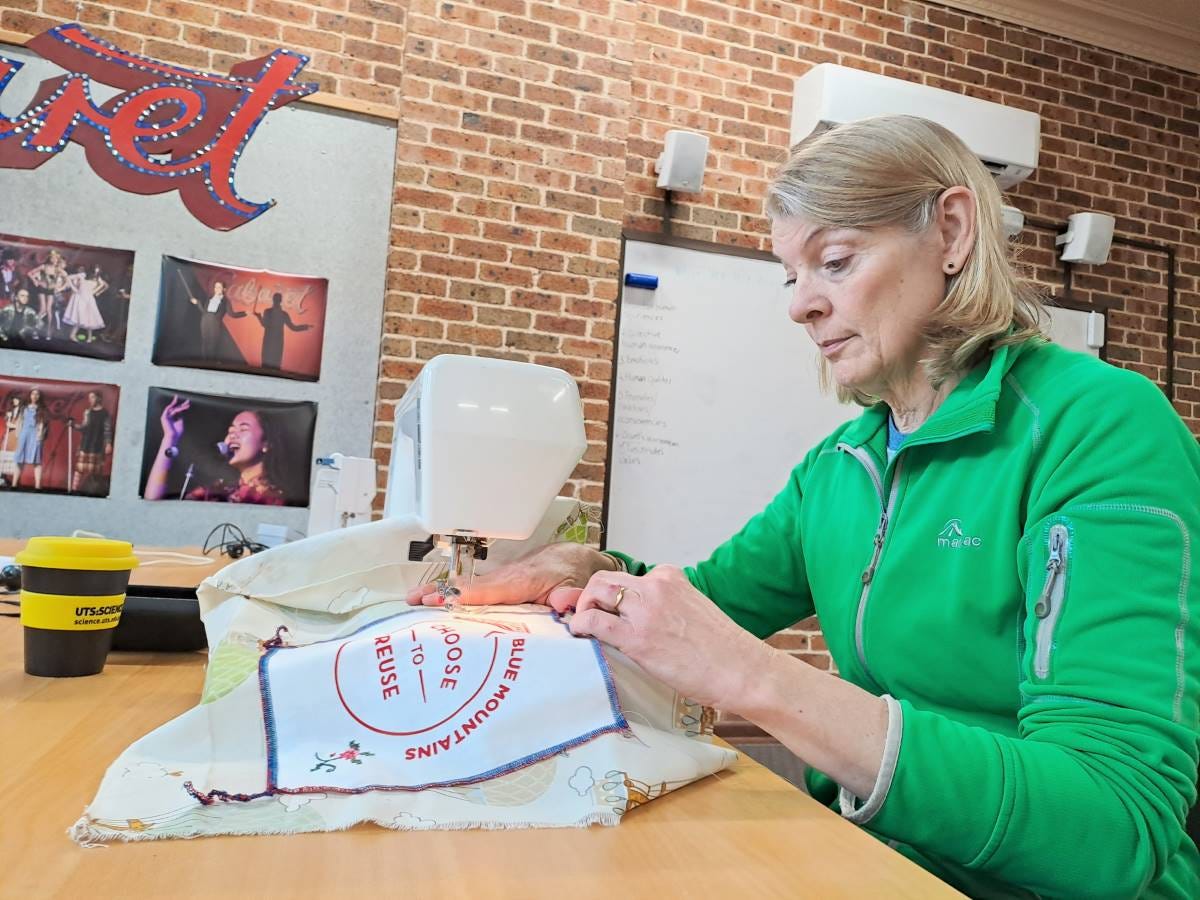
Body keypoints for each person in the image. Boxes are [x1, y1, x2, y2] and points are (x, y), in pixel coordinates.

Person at [407, 115, 1200, 898]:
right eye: (792, 276)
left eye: (835, 261)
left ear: (952, 232)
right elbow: (709, 605)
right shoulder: (841, 466)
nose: (799, 307)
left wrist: (758, 680)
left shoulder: (1095, 427)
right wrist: (598, 568)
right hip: (867, 863)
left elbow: (1113, 825)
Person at [143, 395, 287, 505]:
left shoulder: (273, 497)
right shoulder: (221, 489)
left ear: (266, 444)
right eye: (231, 429)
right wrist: (170, 437)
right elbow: (152, 500)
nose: (232, 434)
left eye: (243, 429)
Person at [186, 279, 246, 361]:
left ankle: (210, 363)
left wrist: (245, 313)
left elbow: (232, 314)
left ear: (224, 289)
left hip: (215, 323)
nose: (217, 289)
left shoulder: (225, 301)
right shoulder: (210, 298)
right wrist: (197, 302)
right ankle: (203, 362)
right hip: (205, 321)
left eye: (219, 287)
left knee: (212, 344)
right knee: (205, 342)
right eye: (215, 287)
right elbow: (204, 311)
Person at [254, 292, 311, 371]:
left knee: (267, 364)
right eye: (276, 299)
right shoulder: (283, 314)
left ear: (273, 300)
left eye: (276, 299)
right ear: (280, 301)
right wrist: (306, 327)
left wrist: (259, 317)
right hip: (277, 342)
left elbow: (264, 325)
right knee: (275, 364)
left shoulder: (268, 311)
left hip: (269, 341)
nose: (276, 300)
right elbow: (293, 328)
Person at [70, 391, 113, 494]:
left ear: (98, 398)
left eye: (92, 397)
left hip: (97, 446)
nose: (90, 400)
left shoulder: (105, 413)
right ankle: (73, 490)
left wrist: (108, 443)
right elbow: (84, 427)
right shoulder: (87, 412)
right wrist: (74, 425)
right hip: (86, 444)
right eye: (89, 397)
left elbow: (107, 430)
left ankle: (94, 492)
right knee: (79, 469)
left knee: (95, 473)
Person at [27, 249, 67, 341]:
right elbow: (29, 273)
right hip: (42, 289)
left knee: (49, 310)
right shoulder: (43, 266)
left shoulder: (57, 269)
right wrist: (36, 281)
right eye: (53, 258)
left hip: (51, 290)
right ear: (50, 258)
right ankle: (34, 330)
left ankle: (48, 331)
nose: (55, 260)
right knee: (42, 309)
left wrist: (60, 287)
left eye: (56, 259)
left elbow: (66, 278)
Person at [12, 387, 48, 490]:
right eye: (33, 394)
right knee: (19, 459)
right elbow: (19, 421)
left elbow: (43, 424)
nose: (35, 396)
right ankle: (14, 485)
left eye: (37, 394)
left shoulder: (42, 409)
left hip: (36, 435)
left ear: (40, 397)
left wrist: (40, 435)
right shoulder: (23, 408)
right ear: (30, 395)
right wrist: (18, 434)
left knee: (37, 461)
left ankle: (37, 487)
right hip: (24, 435)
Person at [63, 264, 107, 343]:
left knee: (90, 318)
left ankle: (89, 337)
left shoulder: (98, 278)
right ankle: (72, 335)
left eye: (97, 271)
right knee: (79, 317)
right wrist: (74, 288)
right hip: (80, 298)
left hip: (89, 299)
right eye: (95, 270)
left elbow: (103, 285)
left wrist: (96, 291)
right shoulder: (83, 275)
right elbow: (68, 277)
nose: (96, 273)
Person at [1, 395, 21, 487]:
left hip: (16, 436)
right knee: (3, 455)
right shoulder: (11, 411)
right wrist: (7, 417)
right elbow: (6, 420)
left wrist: (12, 425)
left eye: (17, 400)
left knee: (13, 458)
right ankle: (2, 476)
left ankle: (12, 480)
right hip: (9, 436)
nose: (15, 401)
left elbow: (22, 425)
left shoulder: (23, 412)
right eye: (14, 400)